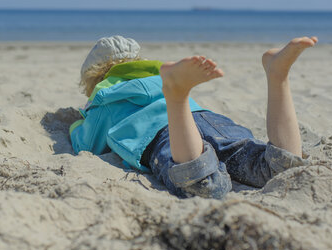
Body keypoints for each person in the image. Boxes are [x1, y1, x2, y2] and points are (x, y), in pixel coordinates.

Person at [69, 35, 315, 199]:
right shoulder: (157, 77)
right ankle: (277, 76)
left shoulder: (104, 98)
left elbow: (85, 143)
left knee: (203, 186)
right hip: (208, 119)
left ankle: (177, 98)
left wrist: (79, 120)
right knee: (276, 169)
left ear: (95, 79)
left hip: (165, 133)